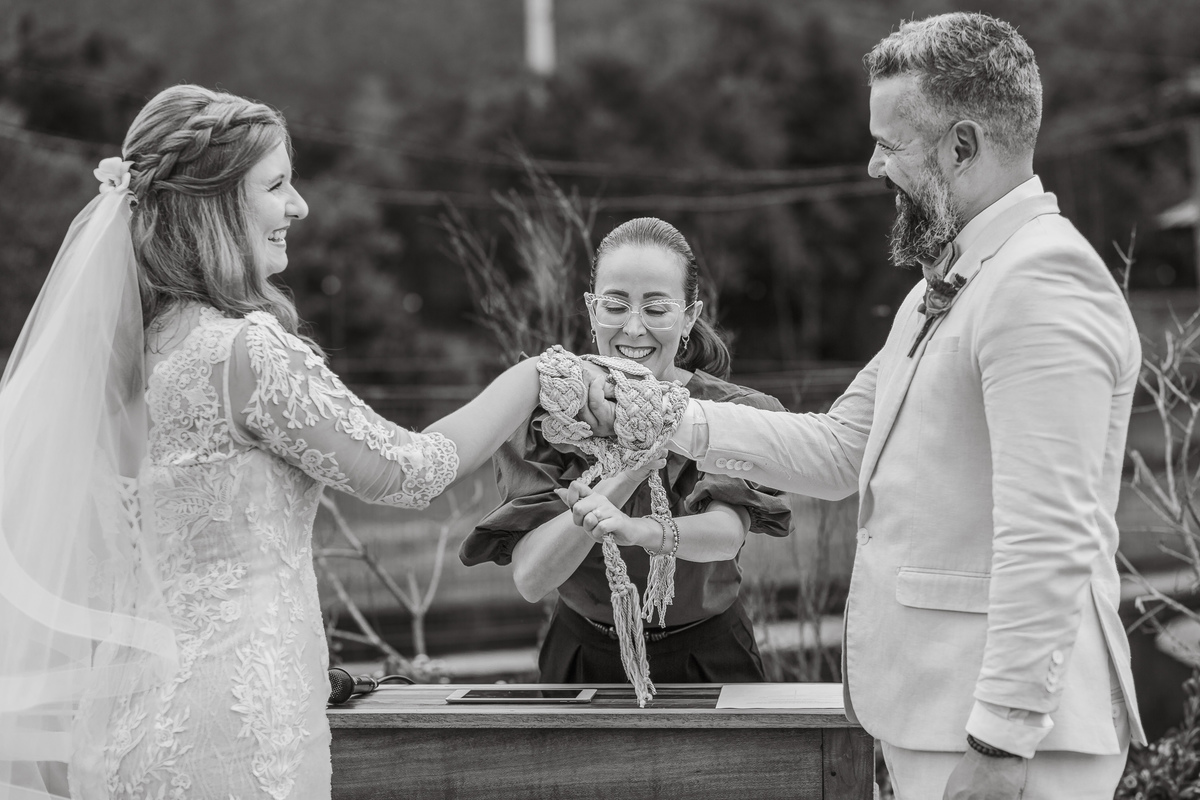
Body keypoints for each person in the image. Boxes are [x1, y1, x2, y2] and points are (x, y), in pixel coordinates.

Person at [572, 13, 1145, 800]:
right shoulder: (944, 287)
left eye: (890, 143)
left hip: (1010, 741)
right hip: (938, 716)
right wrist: (663, 413)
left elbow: (1049, 537)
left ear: (963, 145)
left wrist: (1001, 742)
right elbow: (841, 449)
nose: (874, 165)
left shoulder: (1042, 283)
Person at [0, 84, 603, 800]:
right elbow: (409, 472)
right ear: (215, 203)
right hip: (235, 721)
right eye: (277, 184)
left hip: (124, 717)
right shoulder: (242, 354)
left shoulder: (123, 362)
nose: (300, 206)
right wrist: (533, 376)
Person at [460, 217, 791, 685]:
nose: (634, 328)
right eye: (616, 305)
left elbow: (725, 532)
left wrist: (636, 529)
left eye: (656, 309)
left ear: (690, 316)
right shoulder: (547, 414)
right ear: (592, 310)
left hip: (710, 653)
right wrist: (623, 480)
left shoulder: (730, 411)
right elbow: (531, 578)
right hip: (581, 653)